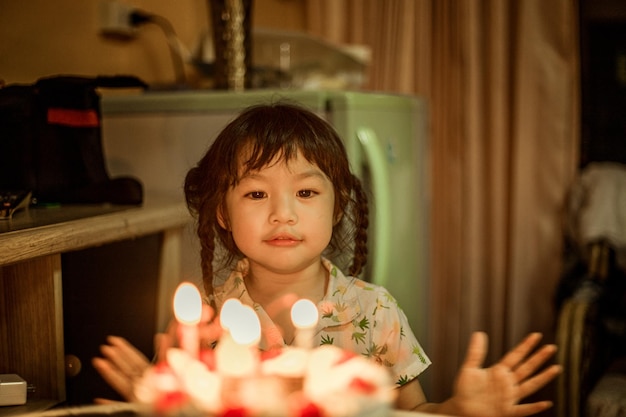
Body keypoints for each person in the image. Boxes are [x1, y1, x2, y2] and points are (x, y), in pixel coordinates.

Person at [93, 102, 561, 416]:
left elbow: (412, 415)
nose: (282, 213)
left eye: (306, 192)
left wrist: (457, 411)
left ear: (336, 207)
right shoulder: (205, 329)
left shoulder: (375, 313)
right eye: (256, 192)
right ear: (222, 212)